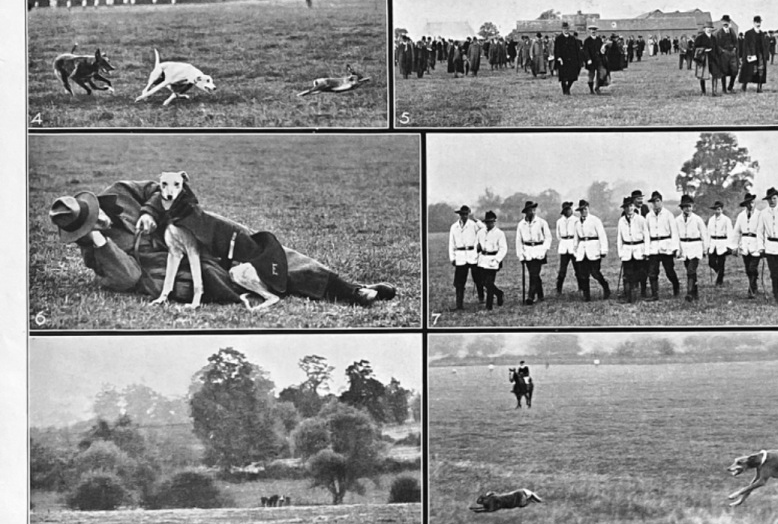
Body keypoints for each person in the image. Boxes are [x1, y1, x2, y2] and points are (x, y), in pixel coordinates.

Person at [48, 184, 397, 309]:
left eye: (97, 217)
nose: (102, 224)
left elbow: (165, 185)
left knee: (269, 253)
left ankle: (353, 291)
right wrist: (99, 242)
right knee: (242, 279)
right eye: (91, 227)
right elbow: (127, 279)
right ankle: (342, 292)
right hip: (187, 264)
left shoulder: (122, 192)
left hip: (198, 227)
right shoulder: (96, 251)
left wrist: (152, 211)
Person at [644, 189, 680, 300]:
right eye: (653, 202)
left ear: (661, 201)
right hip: (654, 247)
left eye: (657, 201)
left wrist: (675, 248)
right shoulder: (648, 216)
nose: (655, 204)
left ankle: (676, 286)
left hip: (666, 246)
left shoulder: (668, 215)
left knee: (669, 271)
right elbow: (646, 234)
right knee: (652, 273)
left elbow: (674, 232)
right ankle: (655, 294)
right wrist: (646, 250)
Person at [573, 198, 610, 300]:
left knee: (595, 273)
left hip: (593, 248)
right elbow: (576, 238)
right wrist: (575, 251)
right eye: (581, 210)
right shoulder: (577, 223)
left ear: (588, 208)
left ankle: (605, 287)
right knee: (583, 275)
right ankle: (587, 296)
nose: (583, 211)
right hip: (582, 250)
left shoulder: (595, 220)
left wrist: (603, 250)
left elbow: (602, 235)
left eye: (585, 209)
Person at [516, 200, 551, 305]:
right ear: (526, 212)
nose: (531, 212)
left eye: (533, 209)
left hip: (538, 250)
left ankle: (530, 296)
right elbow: (518, 240)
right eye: (529, 210)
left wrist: (544, 250)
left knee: (533, 274)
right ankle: (540, 294)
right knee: (535, 275)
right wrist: (520, 254)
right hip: (527, 251)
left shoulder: (541, 222)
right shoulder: (521, 224)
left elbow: (548, 238)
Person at [674, 192, 708, 302]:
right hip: (684, 247)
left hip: (695, 247)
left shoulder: (697, 219)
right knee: (690, 271)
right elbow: (675, 236)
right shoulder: (677, 220)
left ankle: (689, 293)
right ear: (682, 208)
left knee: (691, 270)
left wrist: (705, 249)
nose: (688, 209)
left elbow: (704, 234)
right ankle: (695, 293)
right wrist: (677, 249)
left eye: (689, 206)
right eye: (685, 207)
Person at [448, 204, 482, 311]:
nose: (464, 216)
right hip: (460, 256)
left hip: (472, 254)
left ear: (469, 214)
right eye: (462, 214)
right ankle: (459, 304)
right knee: (459, 282)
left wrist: (477, 220)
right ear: (459, 215)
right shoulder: (454, 227)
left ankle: (481, 296)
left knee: (478, 278)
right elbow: (451, 243)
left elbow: (485, 229)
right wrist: (452, 257)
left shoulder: (474, 225)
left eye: (466, 214)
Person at [616, 195, 648, 303]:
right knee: (628, 274)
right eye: (626, 207)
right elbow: (619, 238)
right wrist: (621, 253)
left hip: (639, 249)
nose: (629, 209)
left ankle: (641, 291)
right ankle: (629, 295)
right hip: (627, 250)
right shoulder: (621, 221)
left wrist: (646, 251)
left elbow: (646, 236)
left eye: (630, 206)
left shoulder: (641, 219)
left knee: (640, 273)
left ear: (633, 206)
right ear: (624, 209)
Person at [475, 210, 507, 311]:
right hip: (482, 259)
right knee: (483, 282)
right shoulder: (480, 233)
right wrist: (477, 250)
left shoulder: (499, 233)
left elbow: (503, 248)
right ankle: (498, 293)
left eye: (491, 222)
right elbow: (477, 245)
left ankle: (489, 306)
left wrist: (497, 259)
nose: (489, 224)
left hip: (493, 259)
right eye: (487, 222)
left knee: (489, 281)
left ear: (494, 221)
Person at [734, 190, 762, 297]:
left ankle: (751, 290)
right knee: (747, 268)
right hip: (745, 244)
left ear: (754, 203)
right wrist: (734, 246)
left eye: (752, 203)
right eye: (747, 203)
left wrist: (762, 246)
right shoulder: (741, 216)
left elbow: (763, 231)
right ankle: (753, 286)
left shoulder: (760, 215)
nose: (750, 205)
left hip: (756, 243)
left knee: (752, 267)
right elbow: (736, 231)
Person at [554, 200, 581, 296]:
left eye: (570, 208)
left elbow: (578, 233)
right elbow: (558, 235)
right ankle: (559, 289)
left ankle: (581, 287)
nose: (569, 211)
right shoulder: (559, 221)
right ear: (564, 211)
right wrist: (564, 242)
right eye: (567, 209)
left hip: (574, 245)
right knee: (562, 269)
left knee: (578, 268)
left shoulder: (576, 220)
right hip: (564, 246)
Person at [705, 200, 735, 286]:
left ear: (721, 209)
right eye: (715, 209)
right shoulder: (711, 219)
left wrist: (729, 246)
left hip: (722, 243)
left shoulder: (726, 220)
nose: (717, 211)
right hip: (713, 243)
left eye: (718, 209)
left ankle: (719, 281)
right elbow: (708, 233)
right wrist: (707, 245)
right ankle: (719, 272)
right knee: (711, 262)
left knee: (721, 263)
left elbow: (730, 233)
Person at [739, 16, 769, 92]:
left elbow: (764, 46)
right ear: (754, 23)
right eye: (756, 22)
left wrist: (765, 55)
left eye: (759, 22)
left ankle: (759, 87)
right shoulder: (748, 33)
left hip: (760, 55)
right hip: (751, 55)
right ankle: (744, 85)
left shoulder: (762, 34)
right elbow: (746, 45)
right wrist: (748, 54)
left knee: (760, 70)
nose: (758, 24)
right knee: (748, 70)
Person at [553, 23, 583, 96]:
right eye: (564, 28)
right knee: (563, 76)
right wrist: (558, 57)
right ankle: (565, 90)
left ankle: (568, 87)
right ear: (562, 29)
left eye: (567, 28)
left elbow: (577, 50)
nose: (566, 30)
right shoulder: (559, 39)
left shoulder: (572, 38)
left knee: (572, 76)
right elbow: (556, 49)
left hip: (572, 60)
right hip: (562, 61)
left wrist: (578, 60)